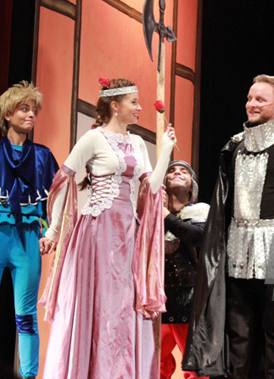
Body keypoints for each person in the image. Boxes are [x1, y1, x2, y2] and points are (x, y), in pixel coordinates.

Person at [183, 75, 274, 379]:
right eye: (250, 98)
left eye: (260, 99)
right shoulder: (233, 146)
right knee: (240, 332)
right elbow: (222, 207)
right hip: (239, 250)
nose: (251, 104)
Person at [39, 78, 176, 379]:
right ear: (115, 106)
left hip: (128, 234)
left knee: (122, 305)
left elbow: (151, 188)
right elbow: (63, 184)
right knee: (98, 303)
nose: (140, 108)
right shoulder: (93, 139)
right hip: (97, 232)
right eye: (134, 102)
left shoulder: (138, 142)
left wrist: (165, 151)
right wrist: (53, 230)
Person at [0, 81, 58, 379]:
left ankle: (29, 376)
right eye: (24, 109)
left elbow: (51, 203)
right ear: (7, 114)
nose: (31, 115)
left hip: (27, 238)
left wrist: (48, 231)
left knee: (26, 316)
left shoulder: (43, 156)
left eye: (33, 110)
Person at [160, 160, 210, 379]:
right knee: (155, 364)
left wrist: (165, 216)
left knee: (194, 367)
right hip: (158, 299)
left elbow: (197, 237)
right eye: (171, 170)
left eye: (184, 171)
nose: (177, 172)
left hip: (189, 299)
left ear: (192, 186)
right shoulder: (151, 213)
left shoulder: (201, 211)